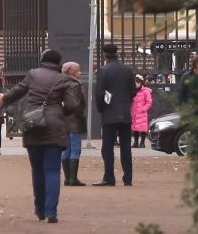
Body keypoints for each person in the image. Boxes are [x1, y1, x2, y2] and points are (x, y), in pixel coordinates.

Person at [0, 49, 84, 223]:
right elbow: (72, 105)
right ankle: (51, 211)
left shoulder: (33, 74)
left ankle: (39, 209)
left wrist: (4, 99)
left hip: (33, 124)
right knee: (52, 170)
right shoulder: (64, 79)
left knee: (37, 170)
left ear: (42, 60)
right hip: (54, 127)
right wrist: (59, 111)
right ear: (58, 63)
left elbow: (17, 91)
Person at [95, 42, 139, 187]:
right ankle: (128, 178)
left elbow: (100, 93)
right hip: (125, 112)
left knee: (107, 147)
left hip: (109, 113)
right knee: (126, 147)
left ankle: (109, 177)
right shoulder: (127, 70)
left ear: (104, 54)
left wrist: (102, 108)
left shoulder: (103, 70)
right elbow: (133, 91)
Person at [62, 61, 89, 187]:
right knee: (75, 149)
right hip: (74, 121)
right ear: (72, 72)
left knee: (66, 150)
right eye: (78, 70)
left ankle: (68, 178)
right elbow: (76, 104)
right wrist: (79, 115)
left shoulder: (60, 83)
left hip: (63, 121)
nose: (80, 72)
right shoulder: (75, 85)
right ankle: (73, 178)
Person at [131, 75, 154, 147]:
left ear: (140, 83)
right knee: (135, 128)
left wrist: (143, 109)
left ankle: (142, 143)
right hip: (134, 112)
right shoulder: (133, 91)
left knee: (143, 128)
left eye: (136, 83)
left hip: (142, 112)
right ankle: (135, 142)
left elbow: (149, 102)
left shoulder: (145, 91)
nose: (135, 85)